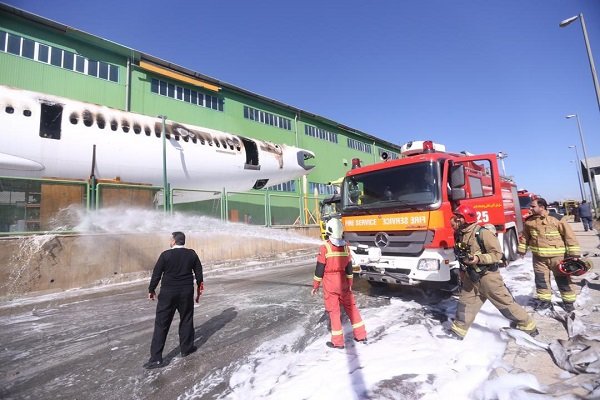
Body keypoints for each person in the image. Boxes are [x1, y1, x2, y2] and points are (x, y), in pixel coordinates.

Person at [449, 205, 537, 339]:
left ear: (467, 218)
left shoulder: (483, 233)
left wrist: (478, 258)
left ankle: (527, 325)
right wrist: (462, 271)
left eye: (459, 217)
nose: (456, 220)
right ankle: (458, 331)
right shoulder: (460, 235)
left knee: (504, 303)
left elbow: (497, 254)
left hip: (488, 277)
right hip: (470, 277)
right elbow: (462, 255)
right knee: (465, 303)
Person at [143, 231, 204, 369]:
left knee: (161, 324)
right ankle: (186, 349)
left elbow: (156, 274)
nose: (170, 241)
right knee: (186, 319)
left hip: (168, 293)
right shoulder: (192, 254)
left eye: (171, 239)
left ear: (174, 241)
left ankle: (156, 358)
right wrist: (199, 291)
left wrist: (151, 290)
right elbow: (199, 274)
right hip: (186, 292)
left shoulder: (166, 255)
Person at [311, 218, 367, 349]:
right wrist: (350, 283)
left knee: (334, 312)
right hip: (343, 282)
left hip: (330, 283)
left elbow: (320, 268)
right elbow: (349, 268)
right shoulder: (346, 247)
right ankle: (361, 335)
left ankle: (338, 342)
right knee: (351, 308)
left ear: (328, 230)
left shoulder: (325, 247)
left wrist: (315, 286)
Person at [517, 198, 581, 312]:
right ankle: (545, 302)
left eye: (533, 206)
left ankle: (568, 303)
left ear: (542, 207)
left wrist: (574, 254)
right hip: (539, 259)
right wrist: (522, 250)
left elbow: (569, 236)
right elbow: (525, 237)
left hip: (558, 258)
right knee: (541, 280)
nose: (530, 209)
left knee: (563, 280)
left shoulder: (557, 219)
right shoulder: (529, 221)